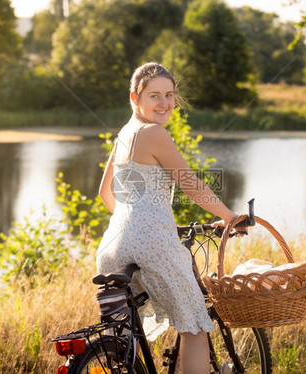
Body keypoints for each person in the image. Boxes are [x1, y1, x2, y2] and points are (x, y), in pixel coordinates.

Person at [96, 62, 243, 374]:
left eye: (169, 95)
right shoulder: (153, 133)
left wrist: (135, 221)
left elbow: (104, 193)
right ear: (135, 98)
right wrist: (230, 217)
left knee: (128, 337)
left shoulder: (125, 134)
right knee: (195, 327)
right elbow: (191, 184)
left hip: (112, 245)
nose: (163, 103)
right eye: (154, 96)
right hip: (151, 243)